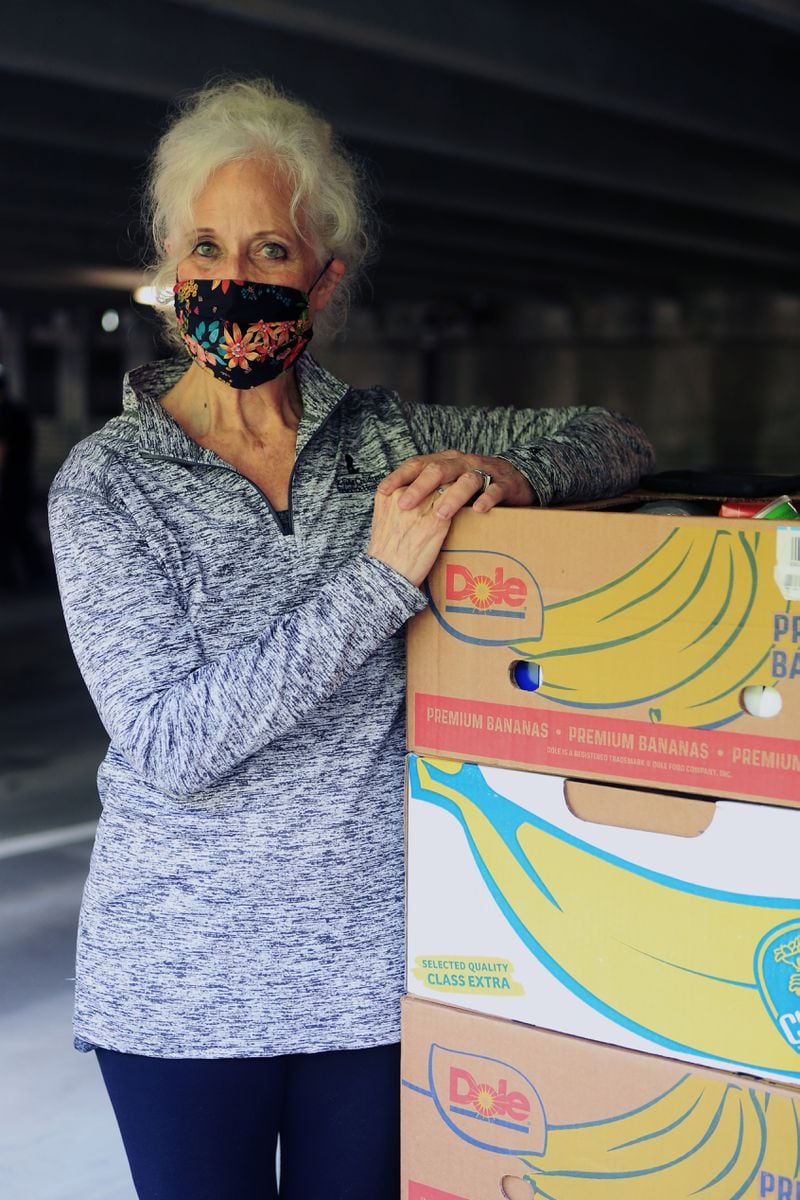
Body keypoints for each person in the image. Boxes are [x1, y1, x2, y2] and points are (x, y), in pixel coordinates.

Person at [48, 78, 654, 1200]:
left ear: (322, 278)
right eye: (204, 246)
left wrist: (512, 473)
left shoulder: (385, 436)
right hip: (181, 995)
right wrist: (380, 582)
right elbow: (174, 744)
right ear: (174, 276)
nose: (231, 278)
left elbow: (613, 436)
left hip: (374, 980)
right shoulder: (110, 484)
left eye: (268, 249)